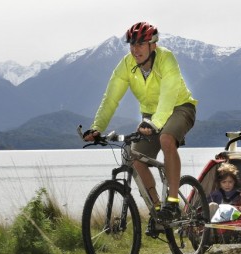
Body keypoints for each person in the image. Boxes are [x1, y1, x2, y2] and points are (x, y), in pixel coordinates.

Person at [83, 21, 197, 222]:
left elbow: (169, 95)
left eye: (140, 44)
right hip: (151, 116)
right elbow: (110, 98)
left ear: (153, 45)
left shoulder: (166, 59)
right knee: (135, 158)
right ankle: (157, 209)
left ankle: (172, 202)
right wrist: (97, 127)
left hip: (180, 108)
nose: (135, 50)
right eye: (132, 44)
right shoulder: (126, 65)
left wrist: (156, 123)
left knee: (167, 139)